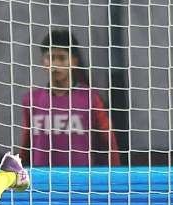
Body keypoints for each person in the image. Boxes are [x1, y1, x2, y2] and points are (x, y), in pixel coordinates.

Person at [19, 29, 120, 167]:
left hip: (81, 181)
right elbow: (26, 144)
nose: (56, 64)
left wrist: (114, 176)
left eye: (61, 58)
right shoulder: (31, 100)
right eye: (51, 58)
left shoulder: (90, 98)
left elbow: (109, 142)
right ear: (43, 62)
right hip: (41, 181)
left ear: (74, 61)